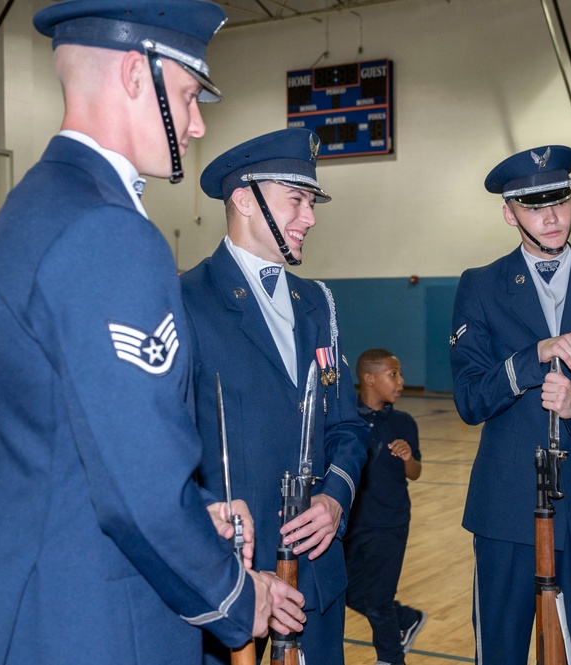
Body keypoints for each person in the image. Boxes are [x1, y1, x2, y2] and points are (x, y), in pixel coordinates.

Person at [0, 3, 304, 663]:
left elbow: (73, 445)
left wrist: (193, 512)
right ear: (131, 73)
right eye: (186, 96)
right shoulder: (110, 232)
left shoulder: (33, 207)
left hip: (35, 613)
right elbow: (140, 490)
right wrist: (237, 593)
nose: (198, 122)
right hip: (98, 622)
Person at [450, 145, 571, 664]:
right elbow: (470, 399)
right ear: (509, 212)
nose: (554, 217)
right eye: (536, 206)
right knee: (499, 651)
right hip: (504, 505)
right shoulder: (481, 286)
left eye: (561, 201)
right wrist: (532, 358)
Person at [181, 128, 368, 664]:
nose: (309, 217)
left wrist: (335, 498)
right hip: (228, 577)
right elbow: (164, 452)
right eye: (297, 200)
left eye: (312, 202)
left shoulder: (319, 303)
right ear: (243, 198)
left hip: (314, 570)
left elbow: (347, 427)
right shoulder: (184, 300)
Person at [344, 349, 427, 665]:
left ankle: (391, 659)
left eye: (400, 373)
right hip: (350, 524)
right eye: (393, 374)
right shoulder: (345, 417)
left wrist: (408, 457)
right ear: (369, 378)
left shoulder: (403, 422)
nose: (401, 381)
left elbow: (416, 472)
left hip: (390, 523)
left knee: (378, 600)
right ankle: (405, 618)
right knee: (350, 592)